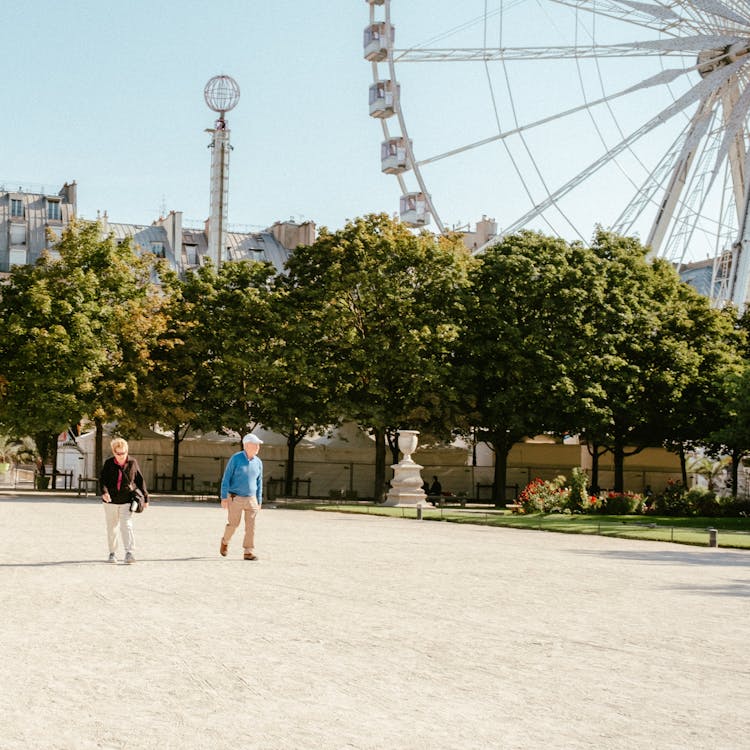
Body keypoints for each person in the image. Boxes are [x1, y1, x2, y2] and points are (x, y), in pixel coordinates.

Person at [100, 437, 149, 564]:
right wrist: (104, 492)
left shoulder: (133, 462)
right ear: (113, 452)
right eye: (118, 453)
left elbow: (140, 480)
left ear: (127, 451)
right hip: (110, 501)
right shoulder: (109, 463)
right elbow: (103, 480)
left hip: (127, 500)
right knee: (112, 528)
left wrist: (146, 497)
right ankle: (112, 553)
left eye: (123, 453)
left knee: (126, 525)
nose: (121, 456)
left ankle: (129, 552)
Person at [219, 433, 264, 561]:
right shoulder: (236, 458)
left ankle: (248, 551)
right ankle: (225, 541)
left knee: (251, 526)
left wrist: (259, 500)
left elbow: (259, 482)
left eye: (258, 445)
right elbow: (226, 478)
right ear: (247, 445)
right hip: (235, 497)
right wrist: (224, 497)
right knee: (233, 524)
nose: (258, 447)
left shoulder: (258, 462)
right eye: (255, 445)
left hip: (252, 499)